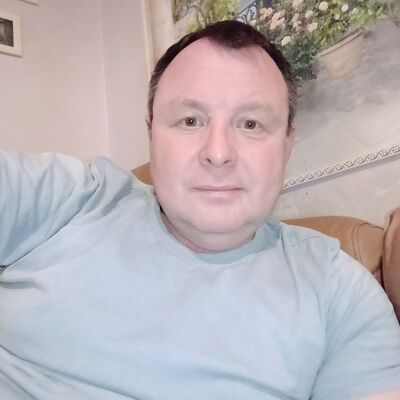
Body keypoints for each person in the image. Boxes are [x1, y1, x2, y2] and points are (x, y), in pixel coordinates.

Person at [0, 20, 399, 400]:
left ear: (286, 144)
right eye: (190, 120)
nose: (218, 152)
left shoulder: (339, 291)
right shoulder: (69, 200)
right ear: (151, 132)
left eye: (251, 124)